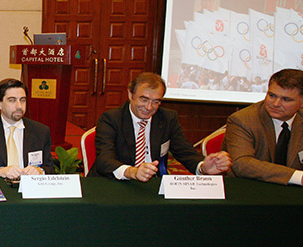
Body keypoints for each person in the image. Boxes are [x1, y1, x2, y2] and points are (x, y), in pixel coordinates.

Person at [223, 68, 303, 188]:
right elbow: (243, 164)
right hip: (249, 188)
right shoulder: (243, 120)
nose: (275, 104)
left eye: (286, 99)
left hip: (293, 191)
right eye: (272, 95)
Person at [90, 72, 231, 181]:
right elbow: (105, 160)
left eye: (156, 102)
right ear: (130, 94)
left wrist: (203, 168)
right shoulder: (111, 119)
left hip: (152, 184)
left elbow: (185, 151)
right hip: (114, 183)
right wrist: (133, 172)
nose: (149, 107)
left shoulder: (167, 118)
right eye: (144, 99)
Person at [0, 78, 55, 180]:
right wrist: (0, 171)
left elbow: (50, 168)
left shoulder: (41, 131)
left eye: (22, 100)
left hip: (30, 189)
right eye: (12, 100)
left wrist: (40, 171)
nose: (19, 106)